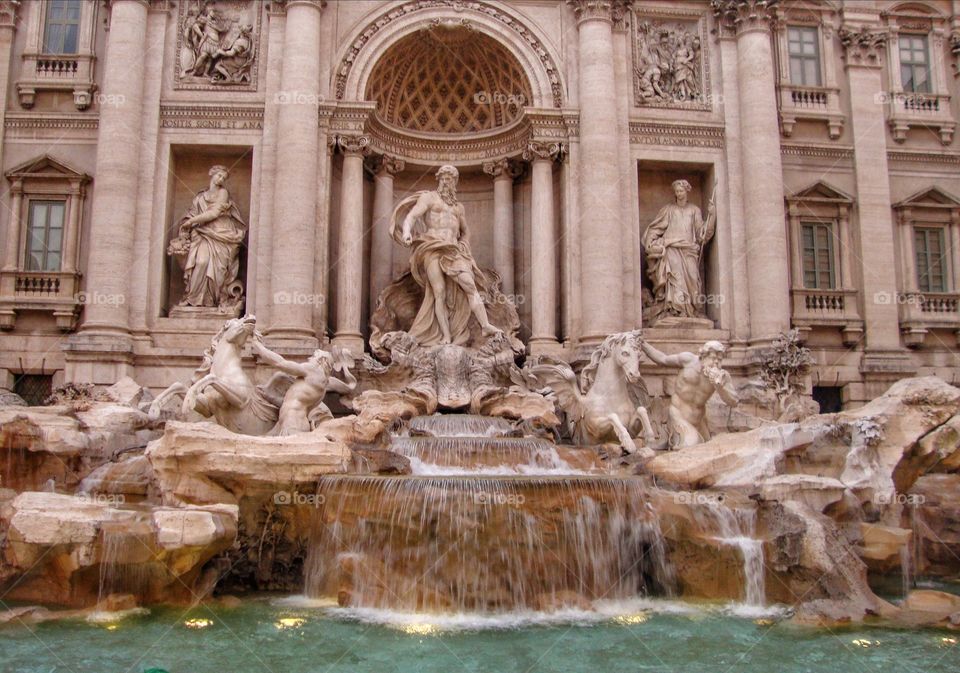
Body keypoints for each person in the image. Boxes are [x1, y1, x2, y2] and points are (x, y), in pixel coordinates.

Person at [389, 165, 502, 345]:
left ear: (455, 182)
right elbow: (412, 216)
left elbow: (465, 232)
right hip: (431, 247)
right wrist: (406, 232)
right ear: (438, 179)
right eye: (443, 178)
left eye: (449, 178)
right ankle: (446, 336)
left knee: (470, 285)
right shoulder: (429, 198)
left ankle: (485, 325)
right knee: (438, 292)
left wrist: (464, 245)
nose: (446, 181)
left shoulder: (458, 208)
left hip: (453, 251)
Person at [169, 166, 246, 309]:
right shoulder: (199, 197)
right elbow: (191, 214)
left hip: (221, 233)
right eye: (219, 176)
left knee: (219, 269)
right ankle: (193, 298)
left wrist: (192, 221)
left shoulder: (223, 193)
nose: (221, 179)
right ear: (211, 174)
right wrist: (187, 224)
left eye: (223, 178)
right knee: (202, 262)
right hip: (202, 234)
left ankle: (212, 301)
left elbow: (214, 213)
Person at [638, 338, 738, 448]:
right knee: (690, 445)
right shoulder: (688, 360)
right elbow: (663, 359)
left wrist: (720, 387)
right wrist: (644, 345)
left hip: (699, 421)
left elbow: (733, 401)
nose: (716, 363)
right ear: (703, 356)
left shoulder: (723, 377)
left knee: (708, 449)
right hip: (678, 414)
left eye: (719, 360)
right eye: (713, 358)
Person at [251, 335, 357, 436]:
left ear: (322, 360)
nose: (310, 359)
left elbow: (280, 363)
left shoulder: (313, 370)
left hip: (292, 423)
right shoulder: (323, 383)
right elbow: (294, 402)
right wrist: (271, 398)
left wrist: (258, 345)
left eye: (313, 357)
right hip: (294, 422)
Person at [642, 179, 716, 319]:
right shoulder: (668, 210)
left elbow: (702, 234)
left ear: (687, 191)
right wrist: (652, 241)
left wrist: (712, 216)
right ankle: (676, 310)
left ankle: (691, 311)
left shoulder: (694, 210)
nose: (679, 193)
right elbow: (655, 229)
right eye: (676, 191)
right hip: (672, 250)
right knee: (676, 280)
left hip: (689, 250)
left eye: (681, 191)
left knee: (693, 279)